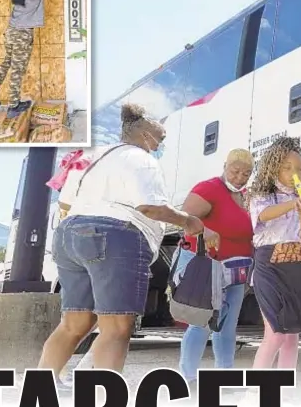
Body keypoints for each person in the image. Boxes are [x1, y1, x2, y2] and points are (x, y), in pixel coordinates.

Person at [38, 103, 204, 378]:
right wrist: (188, 221)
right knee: (116, 328)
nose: (159, 146)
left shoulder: (92, 155)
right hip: (116, 236)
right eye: (159, 139)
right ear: (144, 134)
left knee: (74, 324)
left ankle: (38, 388)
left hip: (70, 235)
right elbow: (149, 207)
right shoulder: (142, 159)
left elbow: (66, 202)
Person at [172, 148, 255, 389]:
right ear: (225, 166)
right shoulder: (209, 188)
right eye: (235, 171)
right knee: (202, 321)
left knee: (227, 325)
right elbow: (184, 218)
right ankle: (187, 377)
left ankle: (225, 374)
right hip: (208, 266)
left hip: (237, 268)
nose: (240, 177)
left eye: (246, 173)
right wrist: (205, 230)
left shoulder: (246, 196)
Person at [247, 137, 301, 371]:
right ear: (273, 168)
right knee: (275, 334)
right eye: (287, 168)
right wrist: (295, 203)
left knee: (292, 336)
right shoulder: (261, 194)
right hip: (269, 267)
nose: (295, 173)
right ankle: (255, 393)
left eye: (300, 168)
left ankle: (285, 391)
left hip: (295, 267)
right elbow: (263, 215)